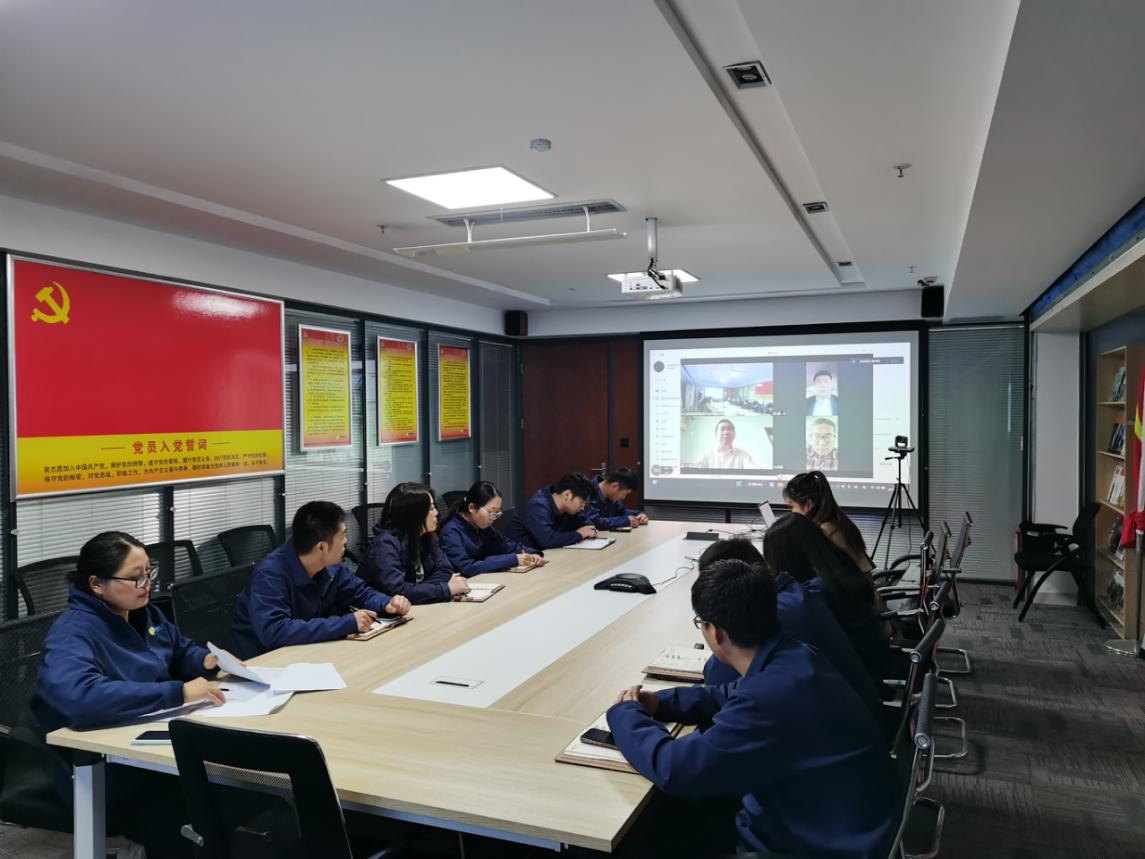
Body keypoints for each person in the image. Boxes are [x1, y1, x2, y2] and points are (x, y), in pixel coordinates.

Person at [606, 560, 897, 858]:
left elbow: (676, 769)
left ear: (716, 633)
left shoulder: (770, 698)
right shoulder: (795, 656)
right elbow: (729, 693)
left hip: (815, 845)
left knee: (650, 835)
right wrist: (662, 703)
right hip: (843, 823)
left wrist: (624, 714)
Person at [32, 531, 231, 857]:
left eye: (149, 573)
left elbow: (179, 651)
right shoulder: (74, 632)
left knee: (225, 792)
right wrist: (177, 692)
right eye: (135, 578)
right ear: (97, 584)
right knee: (195, 807)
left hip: (150, 743)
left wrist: (205, 660)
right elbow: (81, 696)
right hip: (101, 764)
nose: (146, 584)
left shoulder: (144, 613)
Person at [697, 539, 881, 719]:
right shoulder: (795, 594)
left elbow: (718, 679)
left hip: (841, 723)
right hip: (860, 712)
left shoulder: (774, 616)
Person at [229, 501, 411, 659]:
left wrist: (387, 603)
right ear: (321, 547)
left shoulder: (330, 565)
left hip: (305, 653)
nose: (346, 541)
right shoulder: (270, 575)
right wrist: (346, 623)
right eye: (342, 535)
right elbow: (275, 631)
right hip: (260, 663)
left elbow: (359, 592)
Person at [763, 513, 901, 682]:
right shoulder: (841, 568)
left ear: (787, 561)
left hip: (858, 678)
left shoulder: (812, 596)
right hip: (876, 663)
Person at [362, 482, 470, 603]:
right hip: (381, 612)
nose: (436, 513)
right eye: (431, 508)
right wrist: (444, 589)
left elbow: (446, 570)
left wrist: (421, 590)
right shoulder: (385, 544)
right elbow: (396, 591)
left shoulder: (426, 536)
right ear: (415, 514)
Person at [439, 481, 545, 576]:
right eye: (491, 512)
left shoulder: (483, 527)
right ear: (472, 508)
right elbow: (466, 568)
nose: (494, 518)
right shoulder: (451, 532)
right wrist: (512, 559)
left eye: (497, 513)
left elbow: (506, 545)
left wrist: (531, 553)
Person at [784, 470, 875, 572]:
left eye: (793, 506)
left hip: (852, 582)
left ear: (808, 504)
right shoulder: (836, 520)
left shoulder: (826, 531)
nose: (792, 511)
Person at [507, 472, 599, 549]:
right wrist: (579, 534)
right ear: (567, 495)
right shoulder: (538, 507)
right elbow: (548, 541)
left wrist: (588, 530)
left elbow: (585, 522)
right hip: (526, 558)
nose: (583, 508)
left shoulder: (568, 508)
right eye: (582, 502)